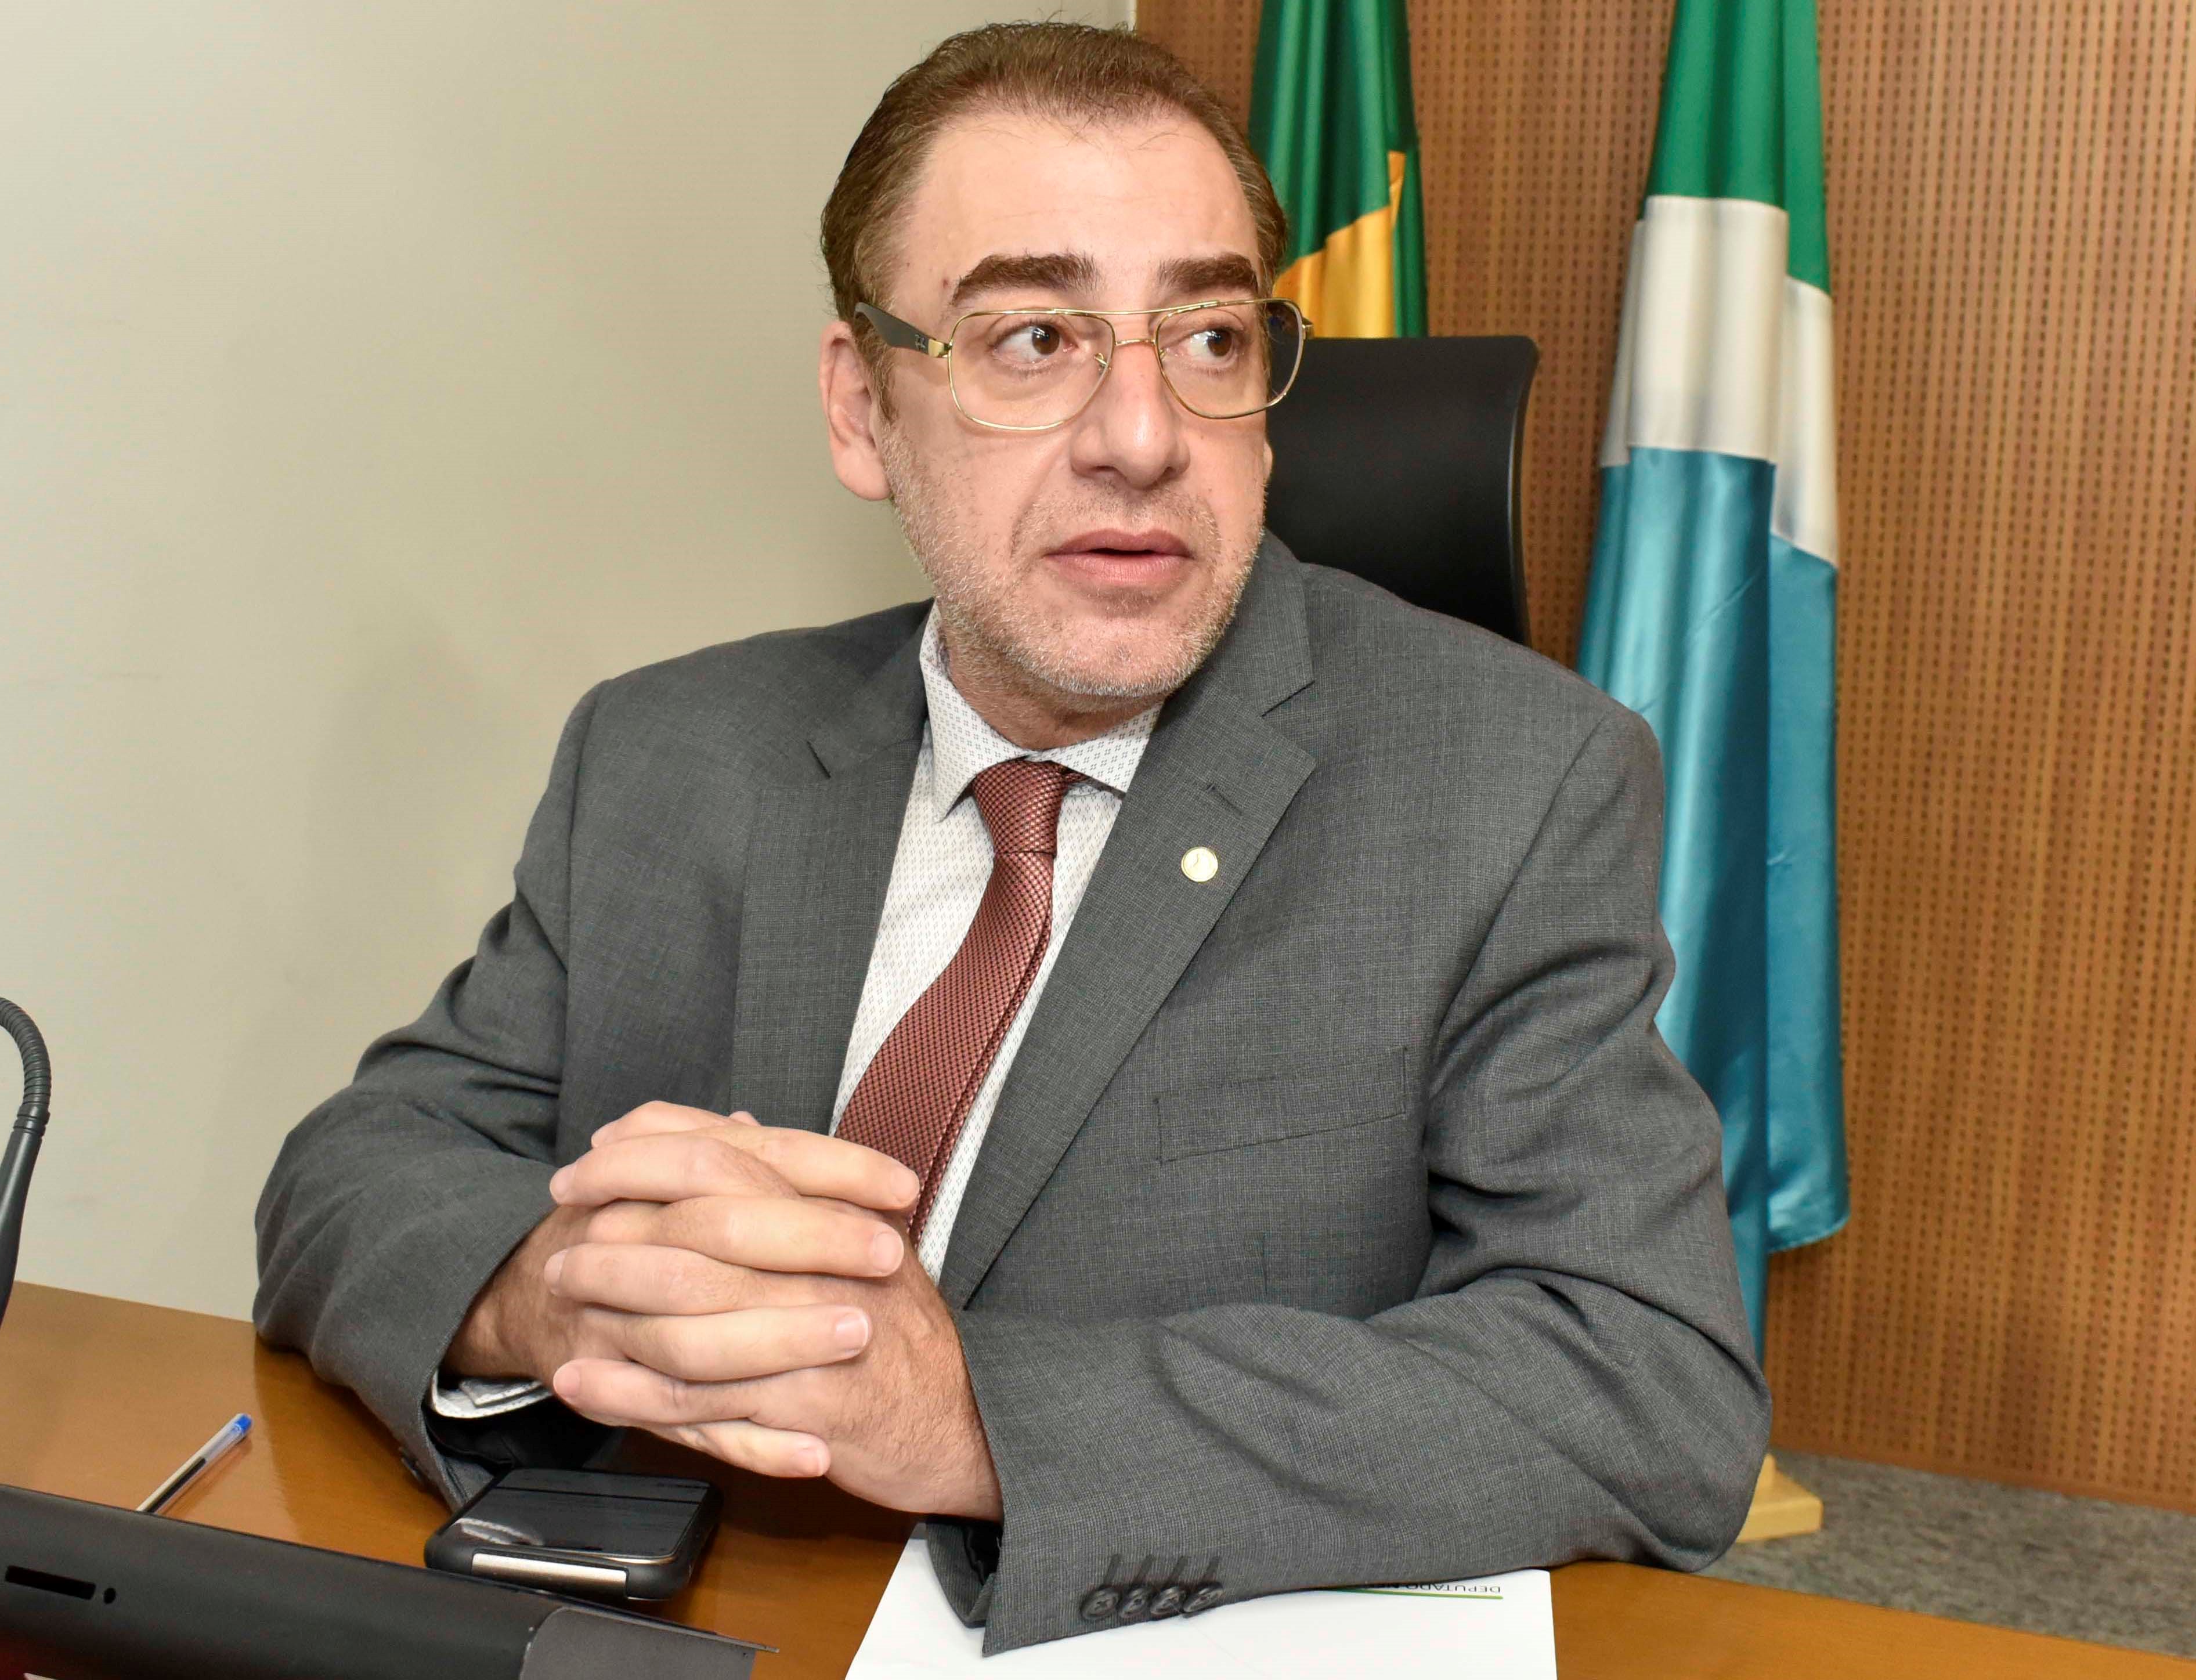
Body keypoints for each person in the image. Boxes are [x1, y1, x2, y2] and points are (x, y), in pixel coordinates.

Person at [254, 20, 1767, 1654]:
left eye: (1208, 337)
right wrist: (552, 1290)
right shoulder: (670, 751)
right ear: (863, 408)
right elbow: (353, 1174)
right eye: (1035, 337)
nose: (1142, 435)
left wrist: (969, 1414)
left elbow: (1646, 1383)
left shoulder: (1509, 781)